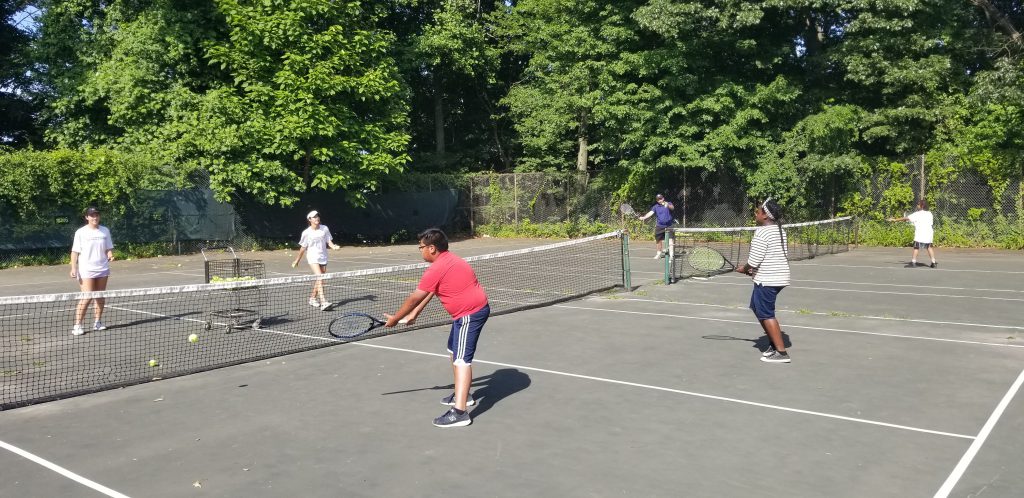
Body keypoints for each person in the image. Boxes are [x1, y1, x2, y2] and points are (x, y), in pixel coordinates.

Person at [384, 228, 490, 428]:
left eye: (421, 247)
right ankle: (463, 394)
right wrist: (414, 314)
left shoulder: (437, 267)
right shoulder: (448, 260)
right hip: (465, 313)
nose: (420, 250)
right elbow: (431, 290)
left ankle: (460, 412)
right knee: (453, 350)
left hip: (470, 314)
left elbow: (415, 297)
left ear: (432, 248)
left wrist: (395, 319)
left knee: (461, 360)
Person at [735, 198, 791, 363]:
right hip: (777, 276)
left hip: (769, 279)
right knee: (756, 306)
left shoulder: (762, 232)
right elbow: (771, 256)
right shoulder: (780, 230)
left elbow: (753, 261)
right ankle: (774, 344)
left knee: (766, 313)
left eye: (758, 211)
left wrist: (745, 268)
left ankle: (781, 352)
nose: (756, 213)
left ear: (765, 216)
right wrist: (752, 270)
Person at [69, 206, 114, 336]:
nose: (95, 217)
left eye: (97, 215)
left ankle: (97, 322)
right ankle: (77, 325)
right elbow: (75, 252)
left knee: (99, 296)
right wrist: (73, 268)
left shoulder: (105, 231)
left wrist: (110, 254)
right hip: (86, 269)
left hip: (102, 268)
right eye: (92, 215)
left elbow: (108, 248)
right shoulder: (80, 232)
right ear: (87, 217)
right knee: (87, 296)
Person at [291, 210, 341, 310]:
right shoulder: (306, 233)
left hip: (323, 257)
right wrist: (297, 260)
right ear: (309, 220)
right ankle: (323, 302)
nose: (317, 218)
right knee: (320, 278)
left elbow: (329, 242)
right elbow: (303, 248)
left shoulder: (324, 228)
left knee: (320, 280)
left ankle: (312, 298)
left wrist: (333, 246)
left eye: (317, 216)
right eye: (314, 217)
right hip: (312, 257)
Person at [888, 200, 937, 268]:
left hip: (921, 233)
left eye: (918, 204)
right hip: (929, 233)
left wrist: (895, 220)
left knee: (916, 247)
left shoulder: (917, 214)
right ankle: (933, 262)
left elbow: (906, 218)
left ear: (922, 206)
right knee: (929, 247)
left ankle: (913, 262)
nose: (917, 206)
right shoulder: (929, 213)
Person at [638, 194, 675, 258]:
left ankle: (671, 255)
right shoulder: (655, 207)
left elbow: (672, 208)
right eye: (658, 199)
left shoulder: (668, 203)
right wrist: (644, 217)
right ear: (657, 200)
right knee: (658, 240)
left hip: (669, 225)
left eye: (660, 199)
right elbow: (651, 212)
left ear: (663, 198)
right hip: (659, 226)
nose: (659, 200)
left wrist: (667, 205)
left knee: (670, 240)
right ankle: (658, 253)